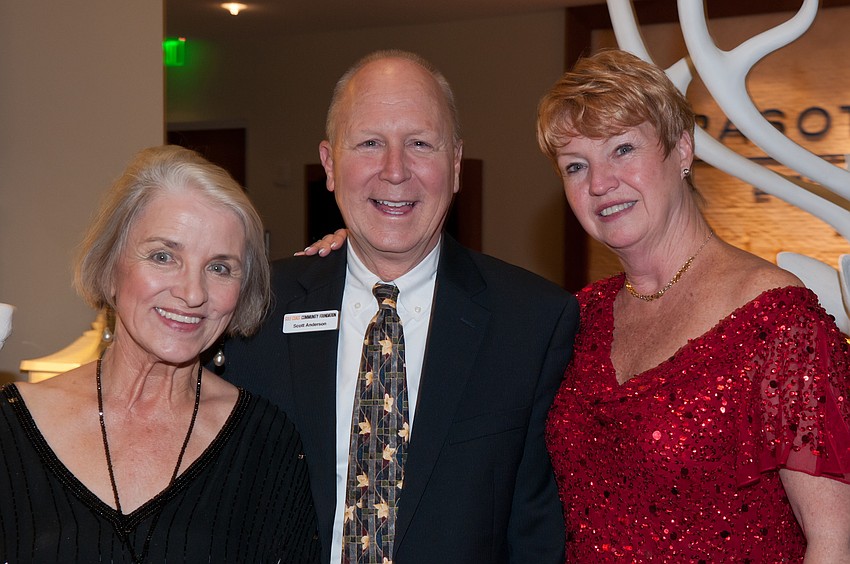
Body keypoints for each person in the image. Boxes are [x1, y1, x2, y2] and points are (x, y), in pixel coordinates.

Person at [221, 50, 579, 564]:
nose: (395, 171)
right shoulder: (254, 309)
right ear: (329, 164)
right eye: (369, 143)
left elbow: (538, 536)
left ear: (455, 165)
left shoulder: (533, 323)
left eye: (419, 144)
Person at [537, 49, 850, 562]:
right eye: (576, 166)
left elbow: (833, 543)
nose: (599, 184)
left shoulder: (779, 322)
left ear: (682, 149)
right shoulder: (577, 317)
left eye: (622, 150)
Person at [0, 145, 321, 562]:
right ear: (111, 266)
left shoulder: (267, 444)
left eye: (220, 267)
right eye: (163, 256)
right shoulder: (10, 430)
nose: (192, 293)